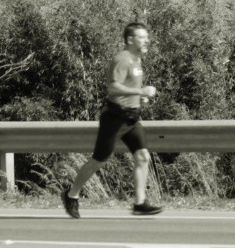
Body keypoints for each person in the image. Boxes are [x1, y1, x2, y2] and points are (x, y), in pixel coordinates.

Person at [61, 22, 162, 217]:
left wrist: (138, 98)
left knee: (143, 156)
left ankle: (140, 202)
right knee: (98, 160)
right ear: (130, 40)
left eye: (146, 37)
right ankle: (71, 195)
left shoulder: (137, 59)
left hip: (131, 118)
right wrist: (141, 91)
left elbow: (126, 88)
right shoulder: (122, 59)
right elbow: (113, 87)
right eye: (142, 37)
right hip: (115, 119)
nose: (147, 40)